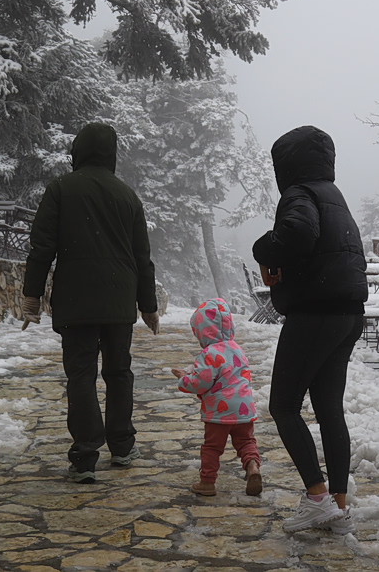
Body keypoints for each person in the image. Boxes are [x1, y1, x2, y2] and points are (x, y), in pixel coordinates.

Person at [21, 122, 160, 485]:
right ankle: (122, 445)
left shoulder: (61, 190)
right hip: (118, 300)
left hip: (76, 300)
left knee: (80, 375)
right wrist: (148, 304)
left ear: (78, 151)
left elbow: (42, 248)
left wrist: (31, 296)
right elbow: (142, 256)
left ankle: (85, 456)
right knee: (118, 372)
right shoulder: (127, 195)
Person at [252, 125, 368, 534]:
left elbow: (299, 233)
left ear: (287, 164)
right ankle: (338, 507)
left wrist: (262, 249)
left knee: (283, 406)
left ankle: (317, 499)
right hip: (348, 312)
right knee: (328, 408)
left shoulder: (299, 193)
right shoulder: (334, 196)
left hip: (317, 312)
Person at [171, 298, 262, 497]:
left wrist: (183, 379)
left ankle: (207, 482)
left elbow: (200, 382)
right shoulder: (237, 349)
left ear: (203, 331)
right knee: (246, 442)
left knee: (212, 447)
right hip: (244, 408)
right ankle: (253, 467)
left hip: (220, 411)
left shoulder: (209, 353)